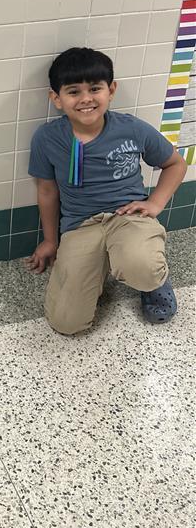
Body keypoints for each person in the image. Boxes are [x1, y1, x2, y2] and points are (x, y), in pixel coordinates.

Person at [27, 47, 187, 335]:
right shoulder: (47, 138)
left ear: (111, 90)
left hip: (128, 217)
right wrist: (51, 241)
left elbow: (175, 163)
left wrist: (155, 203)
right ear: (56, 98)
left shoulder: (132, 129)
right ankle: (97, 271)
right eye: (73, 91)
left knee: (142, 266)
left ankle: (153, 282)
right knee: (66, 323)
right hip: (80, 226)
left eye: (95, 88)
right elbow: (48, 191)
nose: (86, 98)